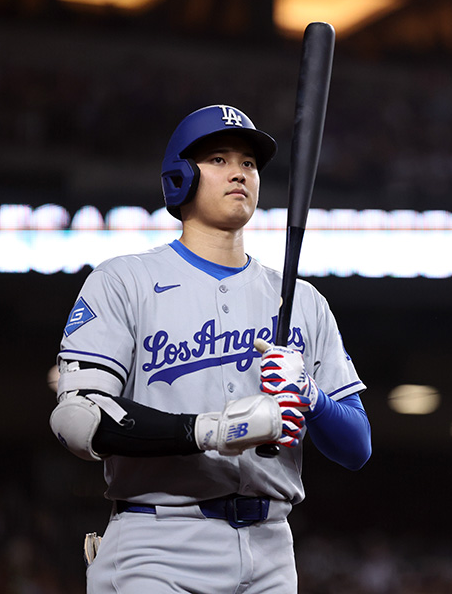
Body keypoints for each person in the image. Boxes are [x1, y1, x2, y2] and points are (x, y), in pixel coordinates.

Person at [49, 104, 372, 593]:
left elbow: (357, 447)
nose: (238, 172)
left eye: (248, 162)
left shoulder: (302, 300)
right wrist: (211, 431)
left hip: (271, 547)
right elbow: (78, 419)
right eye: (219, 159)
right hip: (157, 543)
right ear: (179, 177)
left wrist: (310, 394)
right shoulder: (125, 279)